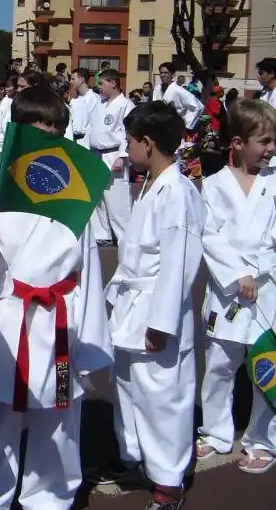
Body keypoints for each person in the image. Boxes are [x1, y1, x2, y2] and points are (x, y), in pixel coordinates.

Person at [0, 85, 111, 510]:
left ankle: (51, 498)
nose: (49, 137)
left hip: (58, 323)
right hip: (4, 320)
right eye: (39, 130)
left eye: (56, 130)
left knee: (57, 426)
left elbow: (87, 275)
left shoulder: (78, 201)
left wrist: (90, 348)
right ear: (17, 133)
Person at [100, 101, 205, 510]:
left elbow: (178, 264)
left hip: (156, 311)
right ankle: (136, 458)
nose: (127, 149)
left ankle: (168, 482)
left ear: (147, 142)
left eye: (129, 141)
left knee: (163, 397)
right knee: (128, 389)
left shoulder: (177, 192)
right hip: (132, 304)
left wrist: (161, 323)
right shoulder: (151, 183)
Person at [196, 99, 276, 473]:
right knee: (219, 365)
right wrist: (236, 275)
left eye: (273, 141)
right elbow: (209, 237)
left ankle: (263, 439)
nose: (271, 149)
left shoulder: (275, 182)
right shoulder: (212, 186)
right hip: (227, 291)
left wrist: (255, 270)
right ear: (237, 143)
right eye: (263, 141)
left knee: (266, 367)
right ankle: (215, 432)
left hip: (267, 289)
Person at [89, 69, 134, 245]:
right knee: (98, 197)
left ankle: (125, 236)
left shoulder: (125, 105)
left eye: (101, 83)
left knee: (117, 198)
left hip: (113, 154)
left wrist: (122, 156)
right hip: (96, 153)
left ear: (113, 83)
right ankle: (103, 234)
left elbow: (128, 132)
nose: (98, 87)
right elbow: (91, 130)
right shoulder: (100, 104)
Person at [69, 68, 101, 147]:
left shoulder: (95, 99)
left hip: (87, 144)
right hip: (72, 140)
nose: (70, 82)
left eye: (73, 79)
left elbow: (96, 123)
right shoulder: (74, 100)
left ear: (82, 79)